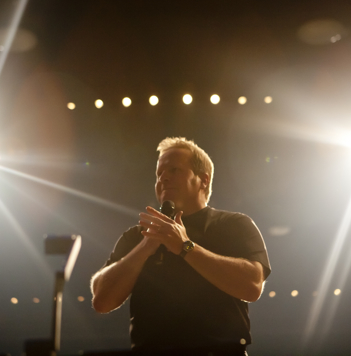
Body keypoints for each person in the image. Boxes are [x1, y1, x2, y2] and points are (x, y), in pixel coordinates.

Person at [90, 137, 271, 352]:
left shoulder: (234, 224)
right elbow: (101, 301)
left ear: (203, 180)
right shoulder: (137, 237)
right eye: (159, 174)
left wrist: (185, 246)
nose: (163, 178)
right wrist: (145, 248)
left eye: (174, 170)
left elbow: (252, 286)